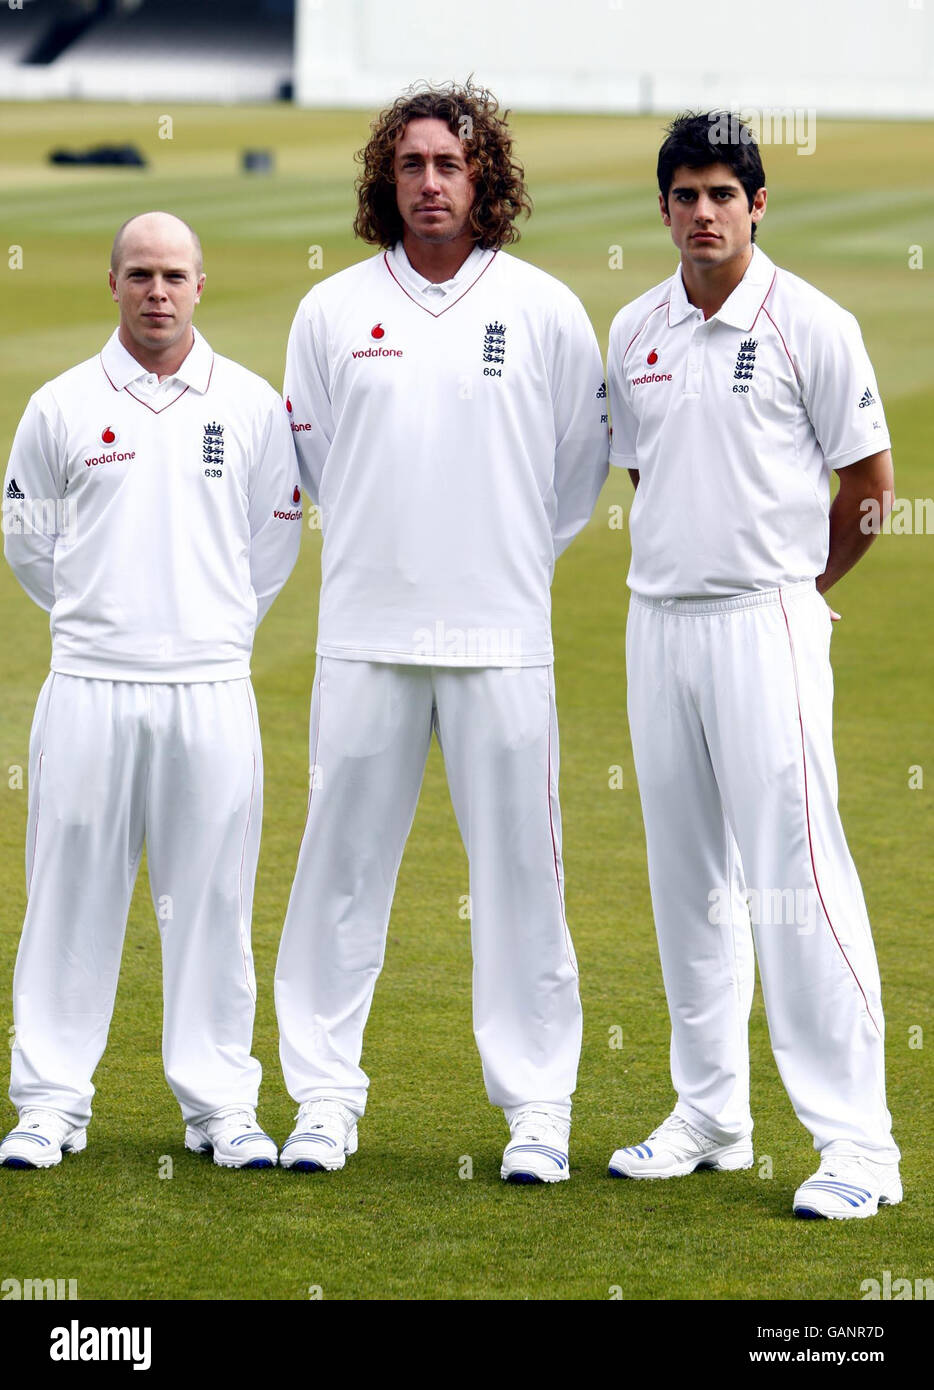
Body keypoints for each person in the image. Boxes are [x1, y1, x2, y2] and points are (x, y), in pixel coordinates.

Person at [275, 81, 608, 1182]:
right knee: (338, 873)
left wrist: (495, 560)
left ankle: (537, 1111)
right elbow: (317, 466)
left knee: (522, 878)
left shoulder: (549, 309)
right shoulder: (329, 311)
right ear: (386, 176)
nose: (430, 182)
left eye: (450, 165)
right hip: (364, 632)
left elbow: (571, 477)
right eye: (412, 164)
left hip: (502, 637)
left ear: (486, 180)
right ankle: (322, 1100)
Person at [605, 112, 900, 1218]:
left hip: (765, 622)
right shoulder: (635, 327)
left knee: (798, 875)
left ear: (757, 203)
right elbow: (649, 476)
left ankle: (858, 1144)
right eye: (683, 194)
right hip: (657, 622)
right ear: (665, 206)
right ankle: (711, 1113)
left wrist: (791, 593)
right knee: (687, 878)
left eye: (722, 193)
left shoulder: (810, 324)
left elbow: (868, 489)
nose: (701, 213)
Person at [0, 211, 302, 1170]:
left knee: (212, 901)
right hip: (89, 684)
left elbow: (270, 551)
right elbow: (31, 549)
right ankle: (50, 1103)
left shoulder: (251, 406)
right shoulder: (59, 404)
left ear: (201, 285)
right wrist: (108, 622)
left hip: (210, 689)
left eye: (174, 274)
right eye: (140, 274)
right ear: (114, 283)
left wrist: (198, 629)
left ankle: (218, 1105)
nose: (158, 291)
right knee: (69, 893)